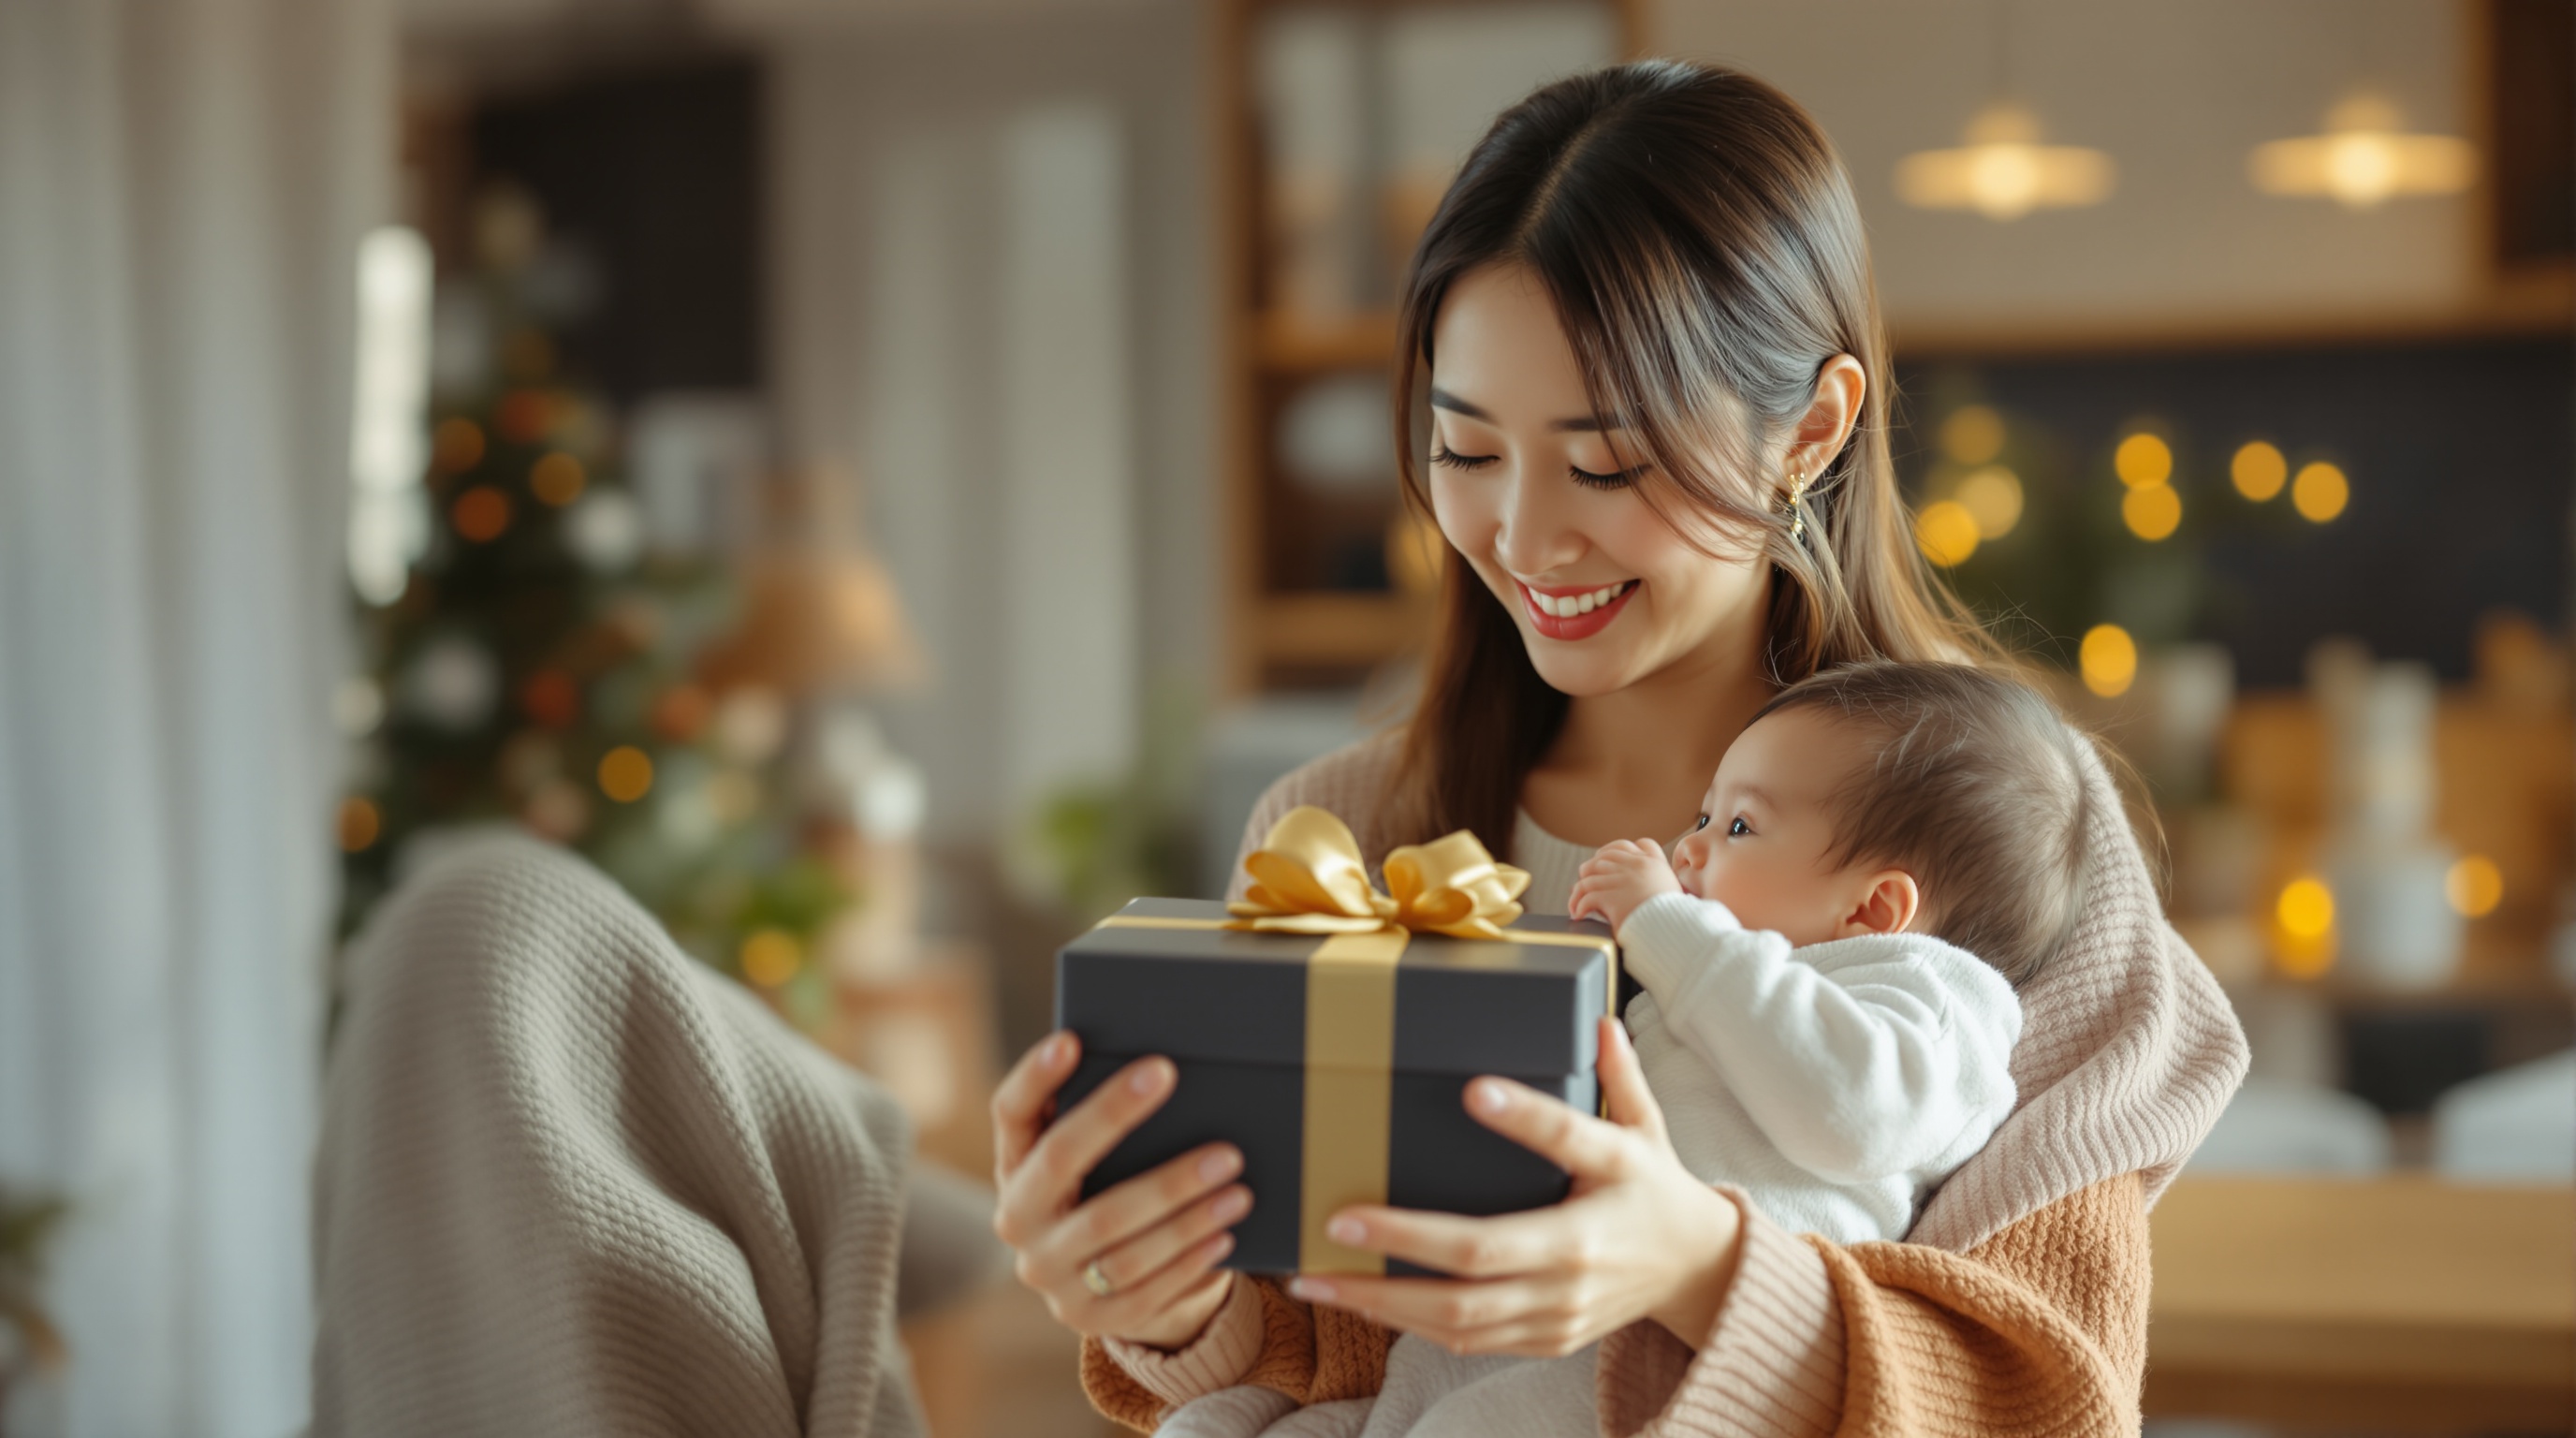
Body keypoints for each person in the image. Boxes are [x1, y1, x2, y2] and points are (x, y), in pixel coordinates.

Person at [988, 60, 2247, 1437]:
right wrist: (1159, 1290)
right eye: (1467, 451)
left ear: (1813, 431)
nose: (1526, 541)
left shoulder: (2006, 843)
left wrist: (1698, 1268)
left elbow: (2047, 1403)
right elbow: (1320, 1359)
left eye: (1604, 465)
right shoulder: (1342, 837)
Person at [1138, 660, 2077, 1438]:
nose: (1692, 847)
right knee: (1223, 1423)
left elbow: (1849, 1112)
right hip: (1500, 1332)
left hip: (1671, 1368)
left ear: (1875, 907)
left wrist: (1672, 928)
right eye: (1702, 816)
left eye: (1738, 826)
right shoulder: (1716, 985)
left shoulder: (1933, 998)